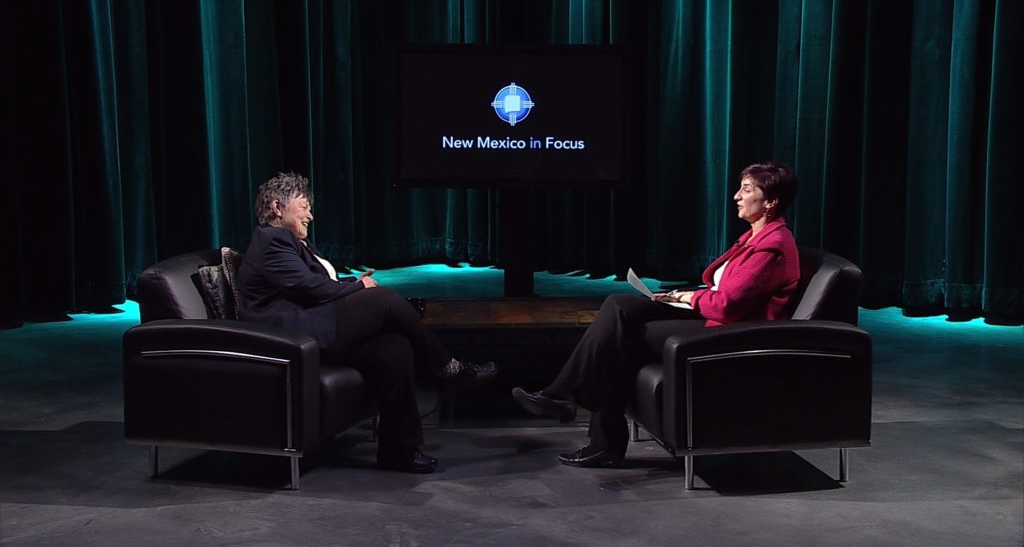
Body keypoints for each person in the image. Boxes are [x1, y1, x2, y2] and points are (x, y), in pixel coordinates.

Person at [512, 161, 799, 467]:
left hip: (729, 333)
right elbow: (721, 290)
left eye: (746, 190)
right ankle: (567, 404)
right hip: (715, 314)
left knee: (620, 338)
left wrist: (690, 296)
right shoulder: (754, 237)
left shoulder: (773, 245)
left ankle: (577, 415)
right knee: (618, 305)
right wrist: (680, 297)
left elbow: (728, 305)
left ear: (771, 201)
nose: (736, 197)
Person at [237, 171, 497, 474]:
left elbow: (317, 282)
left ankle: (400, 451)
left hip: (317, 323)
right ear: (277, 208)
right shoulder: (271, 239)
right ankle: (449, 369)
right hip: (295, 338)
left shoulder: (293, 242)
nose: (311, 215)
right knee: (383, 299)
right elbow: (310, 289)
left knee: (393, 348)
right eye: (304, 206)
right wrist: (360, 288)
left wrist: (352, 282)